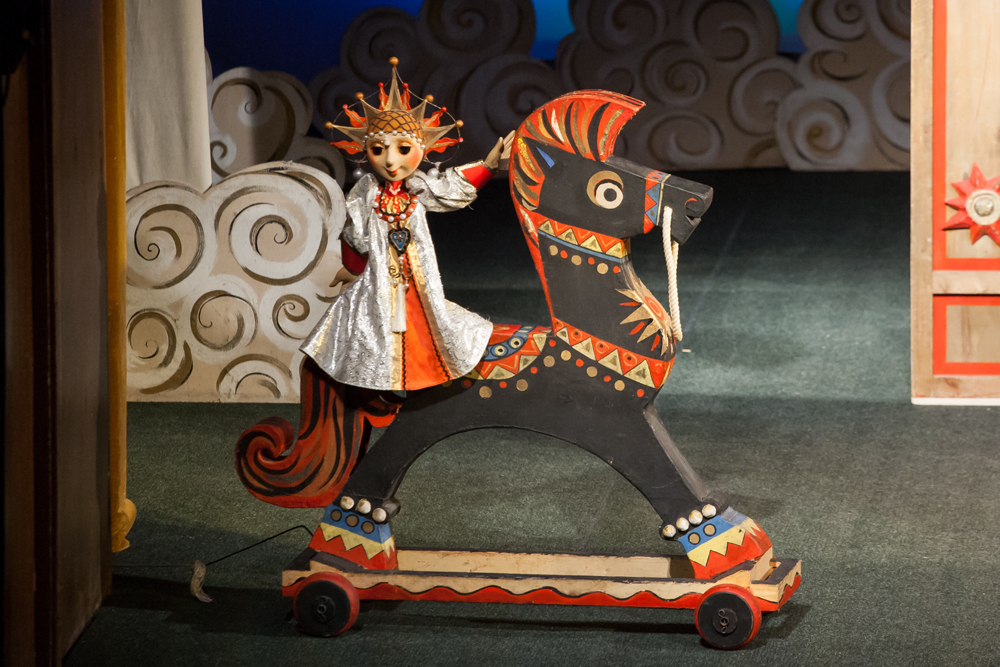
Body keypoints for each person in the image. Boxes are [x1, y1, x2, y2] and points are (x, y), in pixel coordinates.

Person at [302, 57, 511, 392]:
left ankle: (422, 372)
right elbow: (354, 233)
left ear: (422, 148)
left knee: (425, 319)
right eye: (378, 149)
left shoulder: (419, 188)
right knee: (372, 324)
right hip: (379, 279)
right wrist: (352, 269)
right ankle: (380, 381)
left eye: (403, 149)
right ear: (365, 150)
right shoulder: (366, 193)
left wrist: (488, 166)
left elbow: (450, 190)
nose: (390, 160)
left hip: (418, 278)